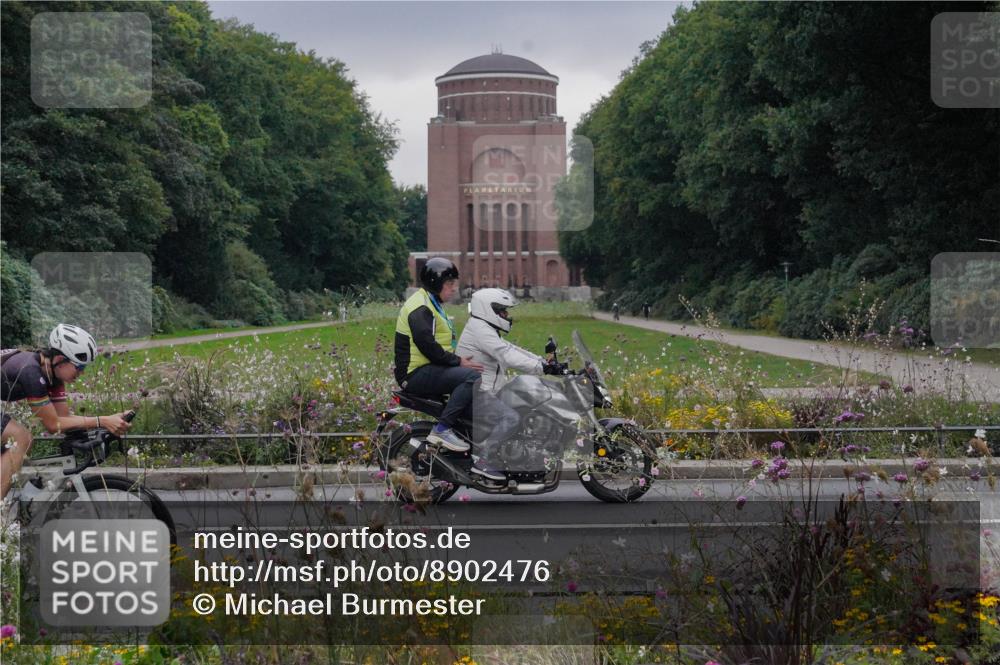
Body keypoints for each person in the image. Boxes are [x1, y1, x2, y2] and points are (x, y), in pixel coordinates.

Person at [1, 324, 132, 499]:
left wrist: (108, 422)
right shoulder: (31, 372)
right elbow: (53, 425)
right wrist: (102, 420)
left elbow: (63, 418)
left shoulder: (52, 374)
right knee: (20, 438)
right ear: (61, 359)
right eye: (79, 367)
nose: (81, 373)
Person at [456, 288, 560, 480]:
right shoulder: (480, 330)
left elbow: (509, 348)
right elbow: (506, 355)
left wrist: (542, 362)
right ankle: (485, 461)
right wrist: (541, 369)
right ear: (489, 310)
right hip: (478, 393)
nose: (507, 315)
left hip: (486, 390)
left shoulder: (483, 327)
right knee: (511, 418)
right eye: (502, 311)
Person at [394, 258, 484, 454]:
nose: (454, 289)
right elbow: (428, 346)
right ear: (436, 283)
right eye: (450, 284)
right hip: (414, 374)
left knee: (472, 403)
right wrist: (458, 362)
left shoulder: (430, 302)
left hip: (426, 369)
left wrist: (460, 360)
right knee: (472, 377)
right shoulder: (420, 308)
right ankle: (442, 430)